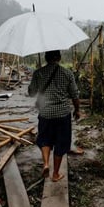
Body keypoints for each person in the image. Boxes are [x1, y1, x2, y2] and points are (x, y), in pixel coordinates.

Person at [28, 50, 80, 182]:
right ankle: (55, 174)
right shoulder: (67, 73)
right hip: (63, 114)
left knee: (45, 139)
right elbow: (74, 95)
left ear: (45, 58)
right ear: (59, 58)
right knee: (61, 143)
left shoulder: (38, 73)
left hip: (45, 113)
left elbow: (32, 93)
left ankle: (46, 164)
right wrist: (77, 110)